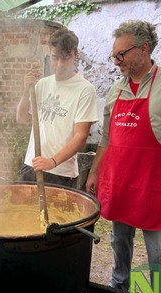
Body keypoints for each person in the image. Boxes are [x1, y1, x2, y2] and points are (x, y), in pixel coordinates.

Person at [86, 20, 161, 293]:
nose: (116, 61)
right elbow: (106, 137)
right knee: (119, 240)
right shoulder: (116, 89)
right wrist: (94, 172)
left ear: (143, 49)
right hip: (120, 179)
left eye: (122, 54)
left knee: (157, 251)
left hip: (154, 182)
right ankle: (119, 285)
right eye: (113, 56)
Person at [16, 28, 99, 188]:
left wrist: (52, 162)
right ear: (50, 54)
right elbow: (21, 118)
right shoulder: (43, 84)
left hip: (61, 173)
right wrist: (26, 90)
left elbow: (80, 137)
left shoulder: (85, 90)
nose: (59, 65)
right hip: (31, 165)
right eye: (55, 58)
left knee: (58, 214)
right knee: (23, 212)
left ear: (75, 55)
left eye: (65, 58)